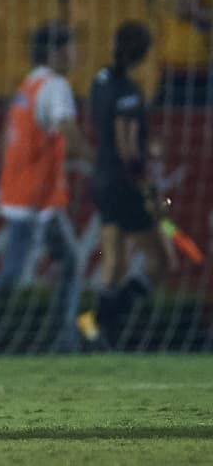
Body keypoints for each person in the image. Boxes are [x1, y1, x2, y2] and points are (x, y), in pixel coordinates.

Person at [0, 21, 90, 352]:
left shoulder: (30, 84)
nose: (76, 54)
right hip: (33, 202)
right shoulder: (55, 87)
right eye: (71, 47)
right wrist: (100, 162)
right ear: (56, 52)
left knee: (70, 261)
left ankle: (66, 336)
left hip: (29, 195)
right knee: (12, 277)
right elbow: (69, 132)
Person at [79, 22, 175, 349]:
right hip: (124, 184)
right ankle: (100, 321)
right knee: (163, 262)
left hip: (101, 179)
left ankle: (96, 335)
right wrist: (148, 186)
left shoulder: (100, 81)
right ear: (145, 52)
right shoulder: (130, 93)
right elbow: (127, 148)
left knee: (114, 260)